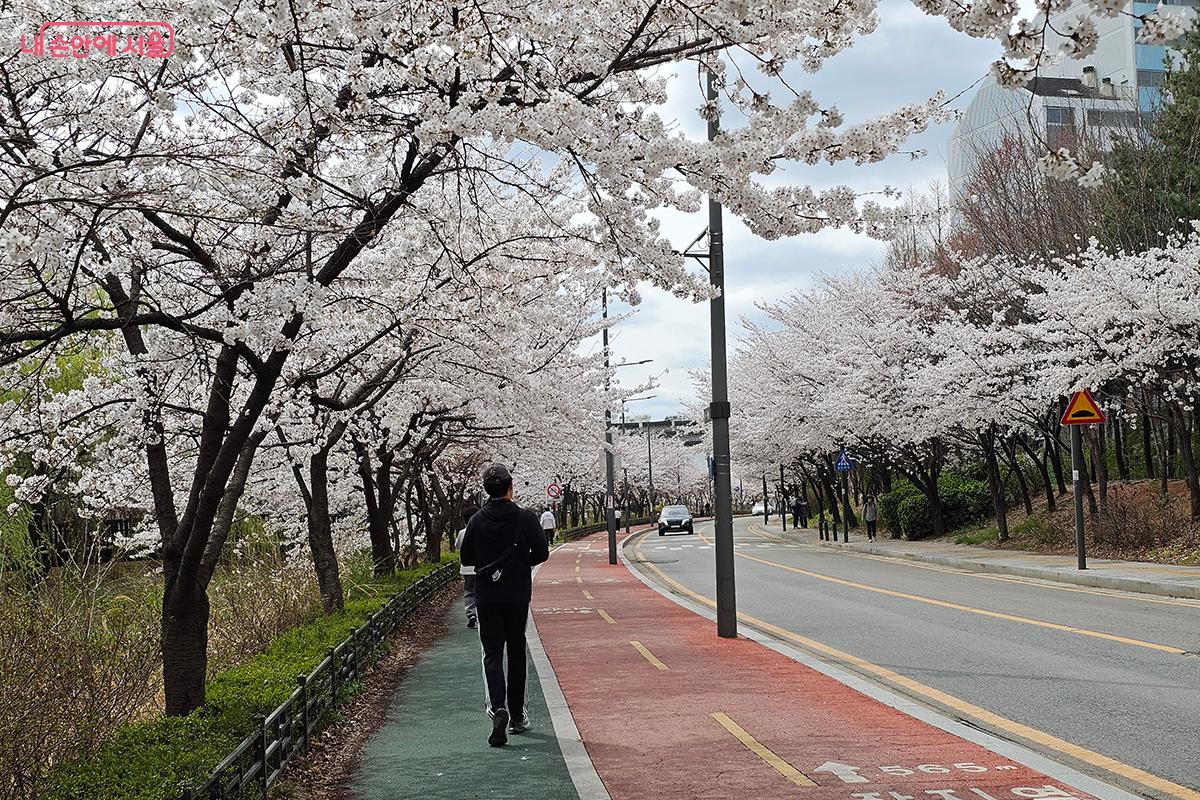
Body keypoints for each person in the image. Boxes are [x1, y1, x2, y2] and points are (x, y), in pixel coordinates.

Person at [459, 463, 549, 747]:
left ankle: (498, 708)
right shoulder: (525, 518)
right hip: (517, 595)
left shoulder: (476, 521)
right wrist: (521, 565)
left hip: (487, 597)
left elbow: (467, 559)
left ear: (486, 489)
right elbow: (542, 552)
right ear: (511, 486)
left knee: (492, 654)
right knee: (517, 650)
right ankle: (519, 716)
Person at [454, 505, 480, 629]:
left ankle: (471, 614)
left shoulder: (461, 533)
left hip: (466, 569)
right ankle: (481, 614)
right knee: (481, 591)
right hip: (481, 568)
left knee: (469, 592)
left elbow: (457, 546)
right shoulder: (483, 530)